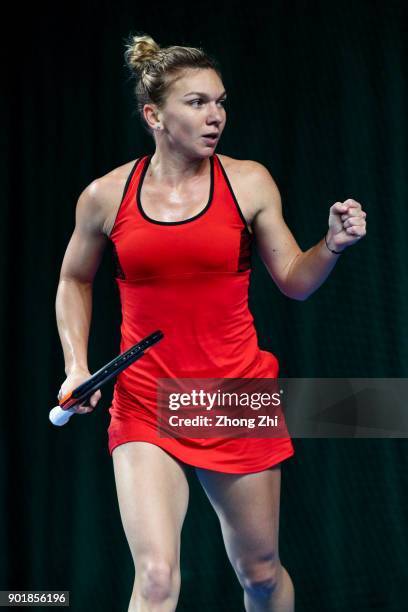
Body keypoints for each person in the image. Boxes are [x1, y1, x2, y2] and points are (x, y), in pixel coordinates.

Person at [55, 34, 366, 612]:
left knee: (262, 575)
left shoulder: (248, 181)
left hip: (233, 397)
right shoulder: (103, 196)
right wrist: (77, 365)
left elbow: (296, 280)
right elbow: (74, 280)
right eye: (197, 102)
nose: (215, 115)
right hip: (147, 401)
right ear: (154, 115)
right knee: (154, 578)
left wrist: (333, 244)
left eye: (219, 101)